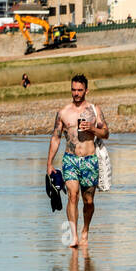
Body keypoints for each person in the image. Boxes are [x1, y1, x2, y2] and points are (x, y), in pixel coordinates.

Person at [47, 73, 109, 249]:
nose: (76, 93)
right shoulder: (63, 113)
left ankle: (85, 231)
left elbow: (106, 133)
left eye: (80, 90)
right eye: (73, 90)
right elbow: (56, 138)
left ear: (86, 90)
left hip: (90, 160)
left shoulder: (95, 110)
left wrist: (91, 128)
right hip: (70, 159)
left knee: (88, 201)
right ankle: (73, 237)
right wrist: (49, 164)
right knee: (72, 195)